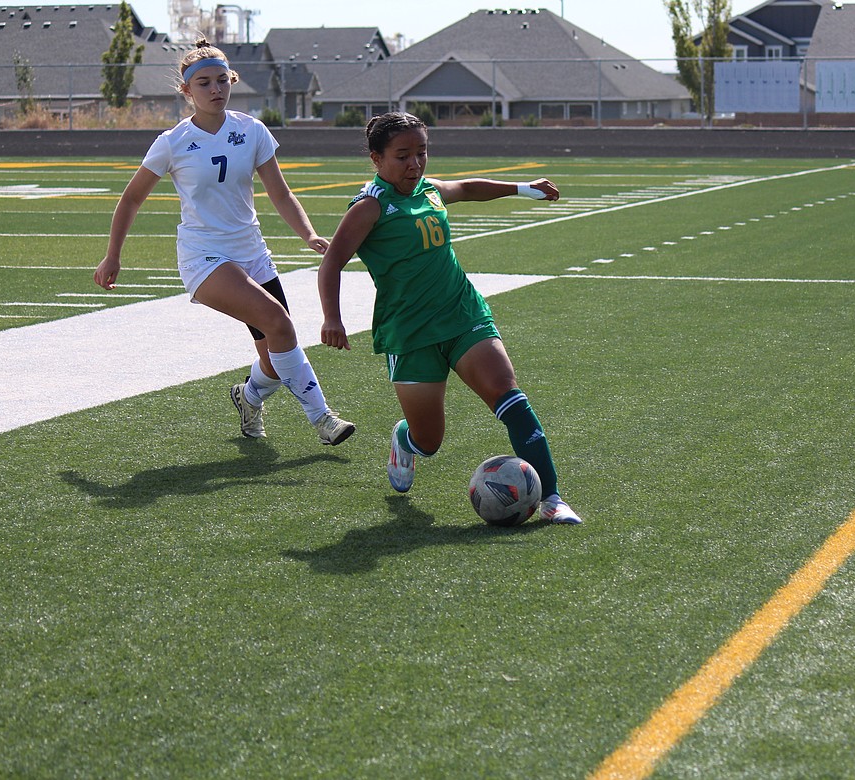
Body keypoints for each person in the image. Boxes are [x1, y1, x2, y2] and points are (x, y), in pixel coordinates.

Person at [317, 111, 582, 525]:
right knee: (429, 440)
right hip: (410, 334)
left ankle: (552, 498)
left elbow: (466, 187)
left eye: (421, 153)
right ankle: (404, 440)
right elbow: (331, 263)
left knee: (510, 396)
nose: (415, 164)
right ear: (376, 159)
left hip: (463, 314)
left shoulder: (429, 190)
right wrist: (332, 318)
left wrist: (523, 189)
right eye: (402, 156)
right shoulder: (369, 208)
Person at [94, 40, 354, 446]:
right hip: (205, 257)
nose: (215, 89)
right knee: (280, 323)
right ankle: (322, 419)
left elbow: (280, 193)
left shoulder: (251, 130)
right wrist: (113, 255)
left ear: (231, 80)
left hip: (252, 252)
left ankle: (248, 398)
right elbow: (131, 198)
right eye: (204, 83)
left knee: (275, 356)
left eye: (221, 80)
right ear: (186, 91)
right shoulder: (172, 141)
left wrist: (308, 233)